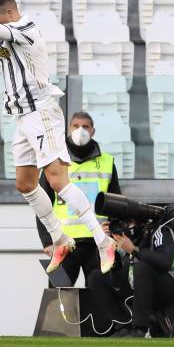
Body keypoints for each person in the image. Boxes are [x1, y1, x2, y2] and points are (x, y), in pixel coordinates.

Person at [0, 0, 115, 274]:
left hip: (42, 113)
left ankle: (102, 241)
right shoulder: (7, 28)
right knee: (25, 184)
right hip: (23, 118)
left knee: (58, 181)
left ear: (10, 12)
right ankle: (60, 237)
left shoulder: (25, 30)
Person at [37, 112, 121, 285]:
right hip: (63, 244)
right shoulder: (54, 162)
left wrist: (114, 232)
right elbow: (41, 205)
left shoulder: (107, 162)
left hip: (98, 244)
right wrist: (47, 240)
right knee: (58, 295)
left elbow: (116, 205)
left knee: (101, 293)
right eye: (75, 126)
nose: (80, 130)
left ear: (93, 131)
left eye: (85, 127)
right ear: (69, 129)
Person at [88, 210, 174, 338]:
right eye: (120, 223)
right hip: (139, 285)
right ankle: (123, 325)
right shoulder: (121, 236)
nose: (123, 227)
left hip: (171, 285)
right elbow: (110, 267)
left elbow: (165, 261)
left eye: (127, 223)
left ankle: (140, 329)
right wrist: (104, 241)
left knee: (142, 267)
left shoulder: (158, 230)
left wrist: (134, 250)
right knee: (97, 277)